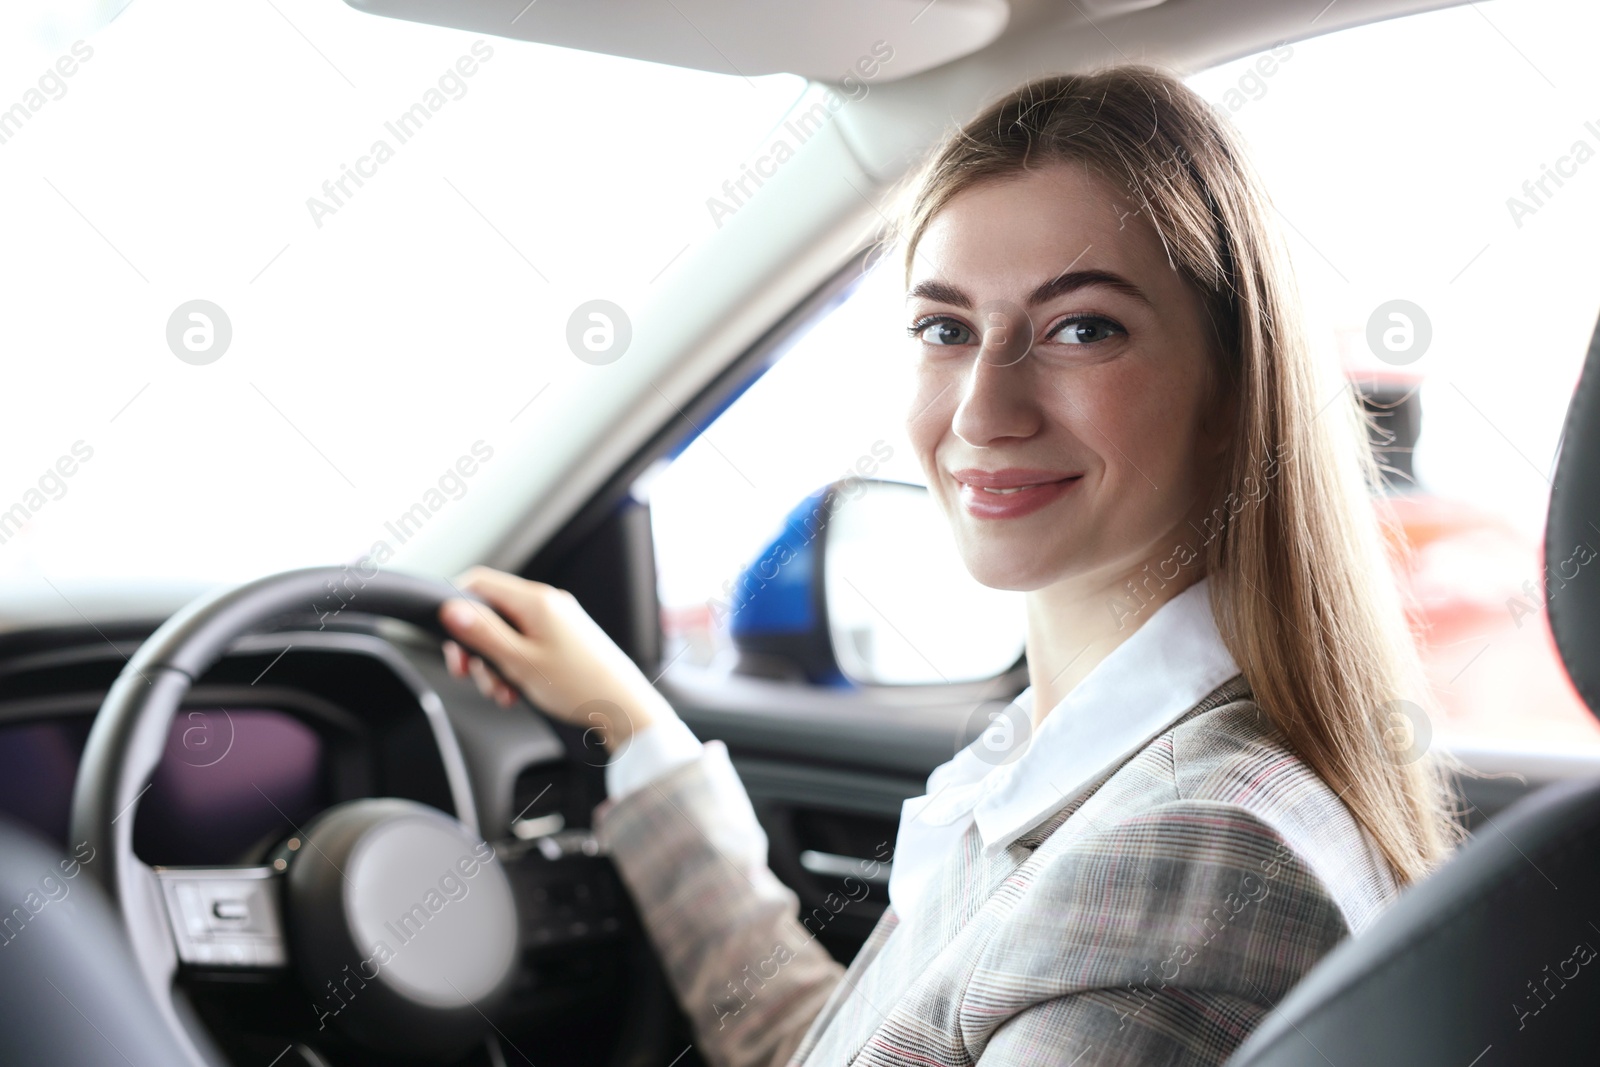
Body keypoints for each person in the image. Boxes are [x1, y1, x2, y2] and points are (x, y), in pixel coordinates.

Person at [438, 65, 1460, 1067]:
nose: (982, 409)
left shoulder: (1192, 851)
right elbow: (834, 1041)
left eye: (1080, 327)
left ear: (1237, 385)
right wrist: (636, 729)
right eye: (945, 328)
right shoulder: (1087, 774)